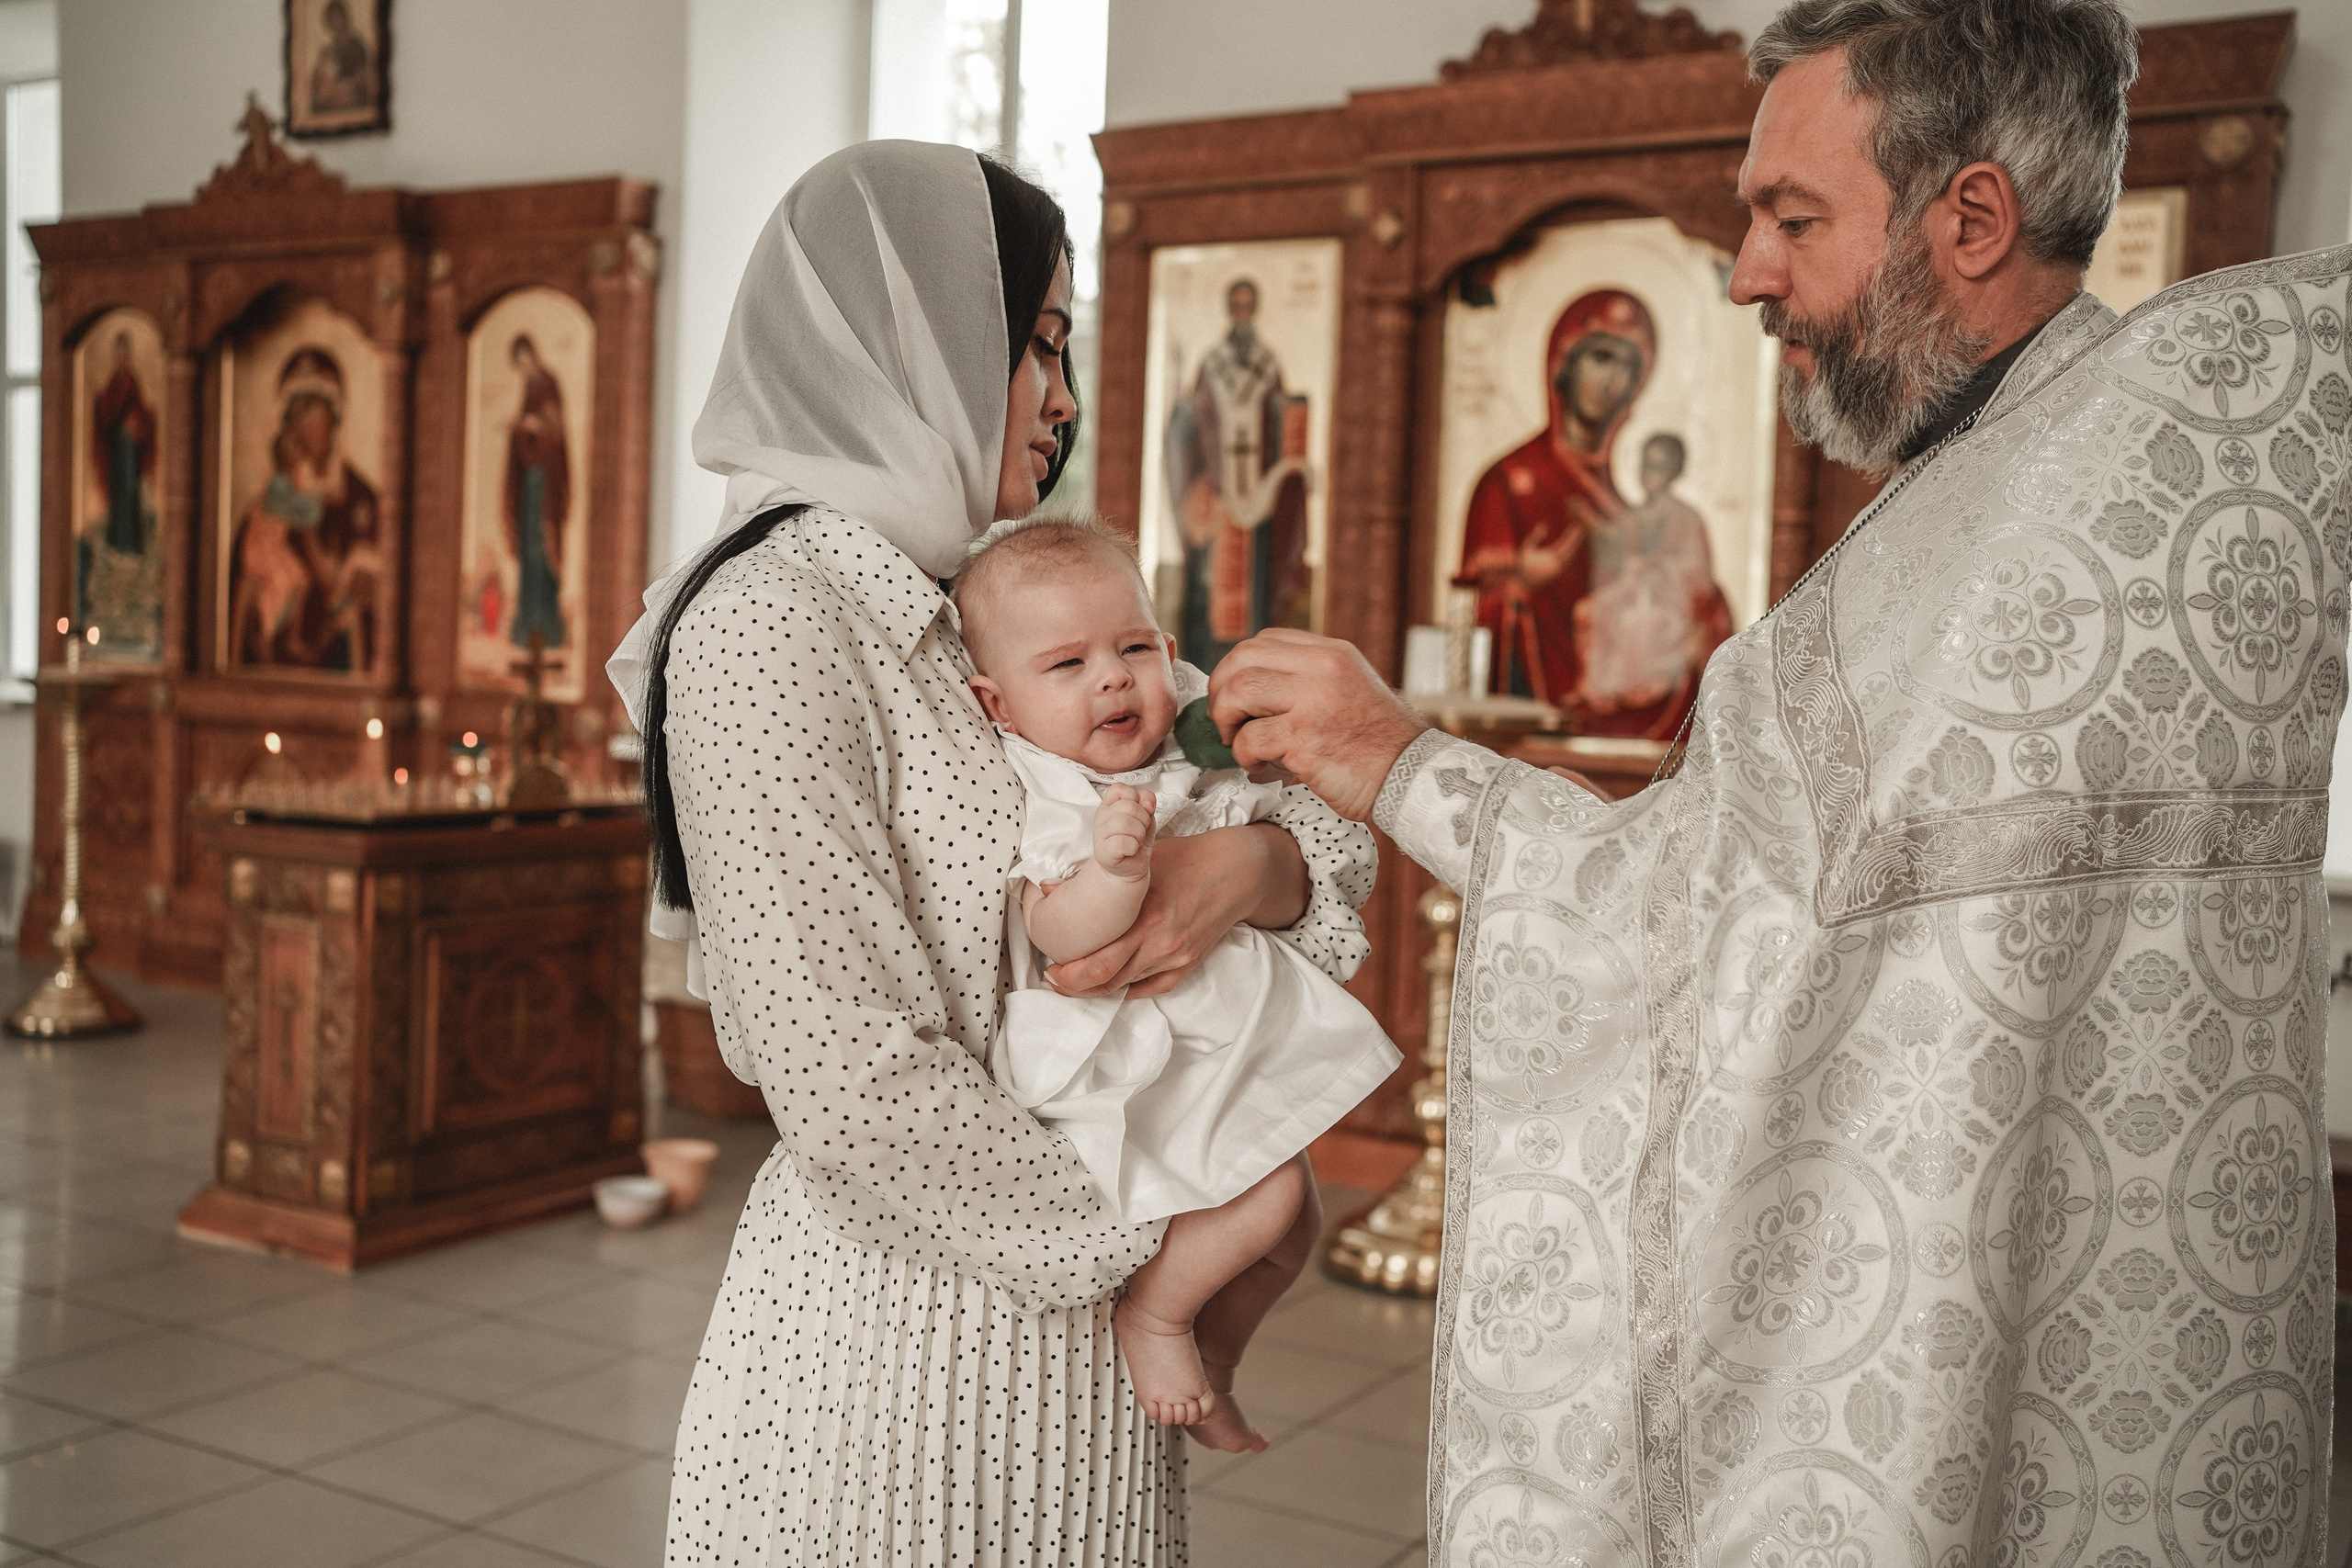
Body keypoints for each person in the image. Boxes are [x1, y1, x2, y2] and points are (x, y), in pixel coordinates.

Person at [1208, 0, 2351, 1561]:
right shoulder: (2219, 425)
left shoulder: (1983, 539)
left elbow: (1668, 921)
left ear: (1972, 215)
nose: (1747, 273)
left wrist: (1392, 760)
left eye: (1787, 217)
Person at [606, 141, 1377, 1564]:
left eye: (1064, 350)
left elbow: (1294, 805)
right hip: (902, 1348)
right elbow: (837, 1057)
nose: (1065, 401)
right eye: (1037, 346)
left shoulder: (1000, 584)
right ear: (912, 344)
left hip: (1090, 1345)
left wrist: (1249, 872)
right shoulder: (771, 623)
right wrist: (1145, 1243)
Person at [954, 516, 1399, 1452]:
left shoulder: (1177, 747)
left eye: (1131, 648)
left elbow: (1321, 842)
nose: (1112, 677)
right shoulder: (1045, 788)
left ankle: (1219, 1357)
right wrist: (1113, 878)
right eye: (1066, 665)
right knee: (1268, 1197)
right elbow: (1050, 931)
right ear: (998, 705)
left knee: (1296, 1223)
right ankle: (1155, 1317)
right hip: (1132, 1054)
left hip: (1215, 1036)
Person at [1456, 290, 1732, 735]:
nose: (1612, 380)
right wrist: (1519, 580)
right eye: (1601, 358)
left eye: (1629, 367)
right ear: (1563, 362)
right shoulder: (1508, 481)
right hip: (1531, 728)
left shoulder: (1633, 500)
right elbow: (1467, 612)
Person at [1163, 277, 1312, 668]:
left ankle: (1252, 661)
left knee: (1255, 581)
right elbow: (1194, 425)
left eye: (1250, 305)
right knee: (1211, 585)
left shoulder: (1268, 366)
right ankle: (1205, 666)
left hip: (1257, 495)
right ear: (1230, 310)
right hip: (1218, 492)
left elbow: (1282, 422)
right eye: (1238, 305)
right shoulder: (1212, 366)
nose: (1243, 313)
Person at [1571, 432, 1723, 720]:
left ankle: (1634, 702)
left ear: (1673, 471)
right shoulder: (1633, 517)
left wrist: (1661, 569)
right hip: (1632, 591)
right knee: (1589, 611)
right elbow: (1612, 553)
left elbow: (1699, 573)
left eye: (1658, 466)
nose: (1649, 474)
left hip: (1670, 600)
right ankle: (1598, 693)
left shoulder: (1688, 517)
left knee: (1638, 622)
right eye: (1646, 465)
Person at [503, 333, 570, 653]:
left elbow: (553, 429)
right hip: (531, 481)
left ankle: (546, 626)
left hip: (544, 483)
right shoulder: (530, 385)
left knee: (542, 549)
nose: (523, 365)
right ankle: (527, 626)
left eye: (524, 357)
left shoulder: (545, 384)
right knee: (530, 554)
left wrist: (528, 425)